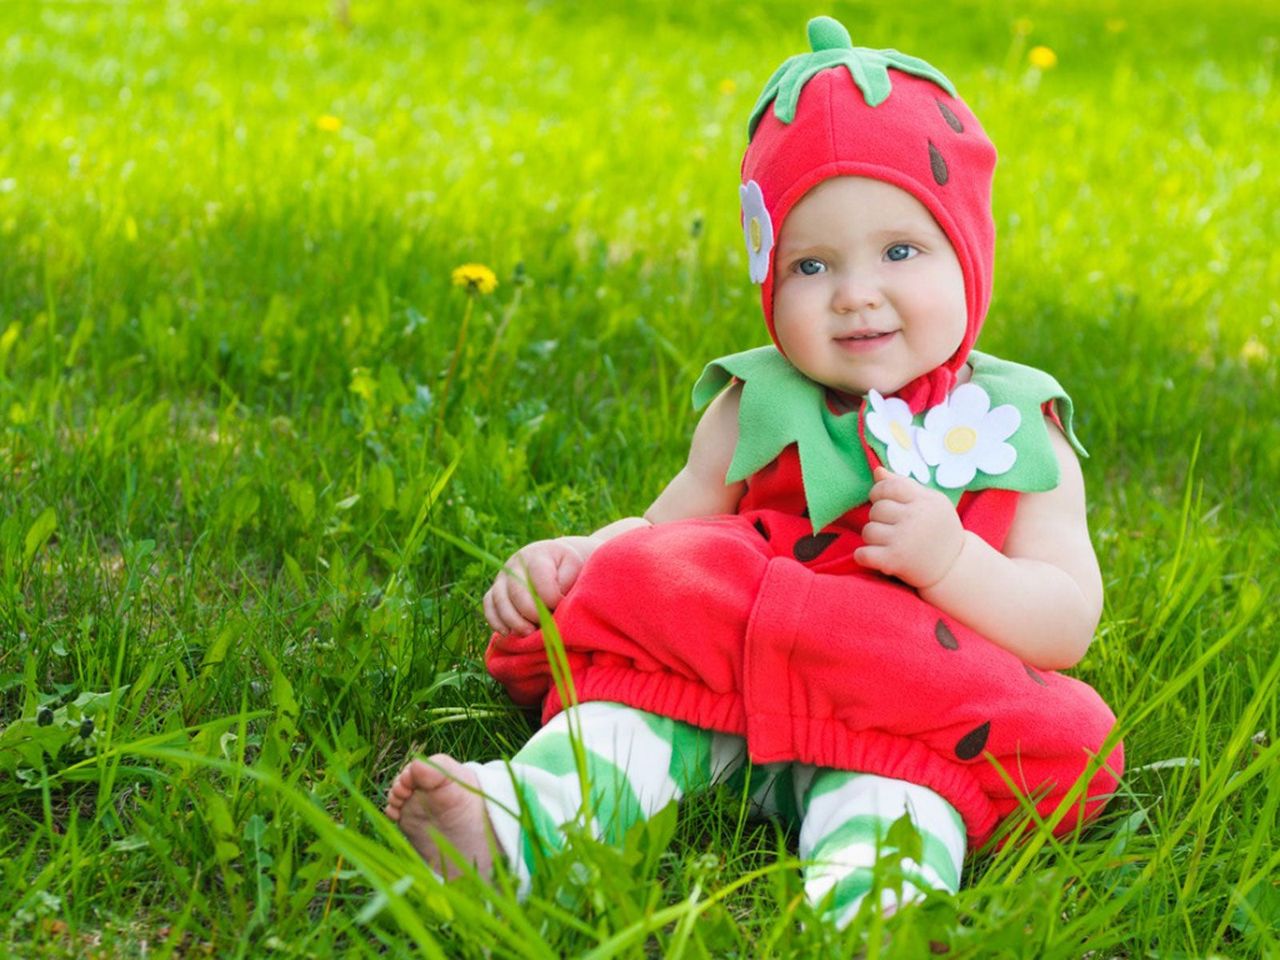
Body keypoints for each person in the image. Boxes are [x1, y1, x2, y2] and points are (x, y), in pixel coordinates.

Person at [386, 15, 1124, 929]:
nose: (856, 293)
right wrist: (580, 553)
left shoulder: (1020, 427)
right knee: (615, 727)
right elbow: (667, 533)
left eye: (901, 250)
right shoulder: (753, 401)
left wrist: (951, 564)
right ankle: (510, 828)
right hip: (716, 677)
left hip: (897, 713)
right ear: (769, 275)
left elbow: (1064, 623)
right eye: (812, 264)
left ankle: (875, 918)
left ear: (970, 253)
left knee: (898, 809)